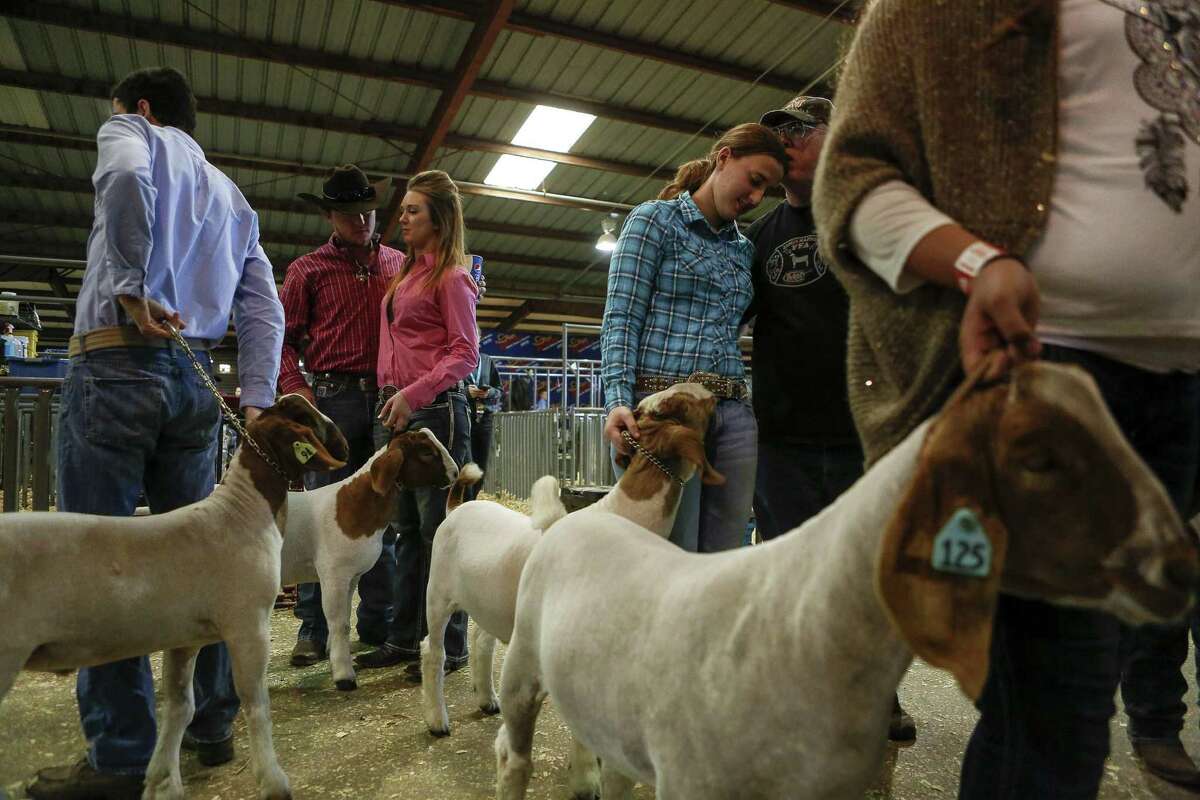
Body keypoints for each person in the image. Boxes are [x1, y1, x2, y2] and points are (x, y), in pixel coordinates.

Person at [813, 1, 1200, 796]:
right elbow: (851, 180)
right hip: (1044, 377)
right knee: (1060, 716)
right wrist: (979, 263)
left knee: (1096, 677)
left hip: (1188, 387)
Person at [28, 66, 284, 799]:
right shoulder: (232, 198)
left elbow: (125, 182)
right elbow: (263, 307)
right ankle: (208, 728)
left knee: (98, 559)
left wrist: (134, 284)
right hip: (192, 378)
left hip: (115, 365)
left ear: (139, 108)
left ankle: (121, 757)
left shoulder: (129, 134)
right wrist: (258, 401)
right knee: (203, 562)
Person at [744, 93, 916, 744]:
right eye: (777, 131)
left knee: (870, 567)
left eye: (800, 130)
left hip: (859, 430)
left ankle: (880, 693)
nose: (785, 141)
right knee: (789, 569)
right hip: (783, 435)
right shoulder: (758, 240)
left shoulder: (861, 219)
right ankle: (801, 694)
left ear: (832, 136)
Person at [601, 123, 787, 553]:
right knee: (665, 556)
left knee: (723, 562)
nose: (756, 198)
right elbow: (621, 317)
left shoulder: (743, 249)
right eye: (754, 181)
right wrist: (616, 400)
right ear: (723, 158)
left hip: (733, 415)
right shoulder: (653, 221)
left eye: (767, 191)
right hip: (664, 410)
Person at [353, 170, 479, 678]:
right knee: (404, 529)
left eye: (413, 211)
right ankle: (405, 638)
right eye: (403, 210)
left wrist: (413, 393)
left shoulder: (452, 278)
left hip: (433, 411)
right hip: (397, 411)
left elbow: (465, 352)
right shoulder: (405, 275)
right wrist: (393, 396)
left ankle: (449, 645)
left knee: (437, 533)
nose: (402, 218)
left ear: (440, 220)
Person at [278, 164, 402, 668]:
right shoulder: (307, 270)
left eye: (368, 211)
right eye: (350, 214)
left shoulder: (398, 263)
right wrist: (298, 392)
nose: (362, 221)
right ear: (331, 215)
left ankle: (378, 619)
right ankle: (314, 628)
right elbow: (283, 341)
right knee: (317, 515)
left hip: (387, 395)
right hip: (330, 396)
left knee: (381, 510)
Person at [466, 329, 503, 500]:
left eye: (476, 335)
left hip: (485, 418)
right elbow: (450, 388)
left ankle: (472, 499)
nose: (472, 338)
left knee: (481, 464)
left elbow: (499, 390)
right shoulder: (457, 360)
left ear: (480, 339)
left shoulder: (487, 361)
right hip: (464, 417)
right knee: (465, 462)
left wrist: (488, 394)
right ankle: (462, 500)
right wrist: (467, 393)